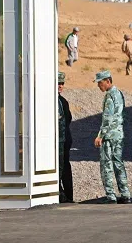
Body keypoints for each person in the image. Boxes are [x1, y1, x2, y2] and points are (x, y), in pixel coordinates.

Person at [94, 70, 130, 204]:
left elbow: (107, 118)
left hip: (109, 136)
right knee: (118, 163)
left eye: (100, 82)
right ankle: (125, 193)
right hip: (118, 134)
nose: (99, 86)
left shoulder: (109, 96)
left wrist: (100, 136)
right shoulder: (119, 93)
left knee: (106, 165)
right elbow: (122, 115)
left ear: (108, 81)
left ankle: (111, 196)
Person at [58, 71, 74, 203]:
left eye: (62, 83)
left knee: (65, 168)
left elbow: (68, 119)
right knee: (59, 168)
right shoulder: (50, 101)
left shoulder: (63, 101)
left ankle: (68, 196)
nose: (60, 86)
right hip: (56, 142)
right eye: (58, 83)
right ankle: (60, 195)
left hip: (64, 141)